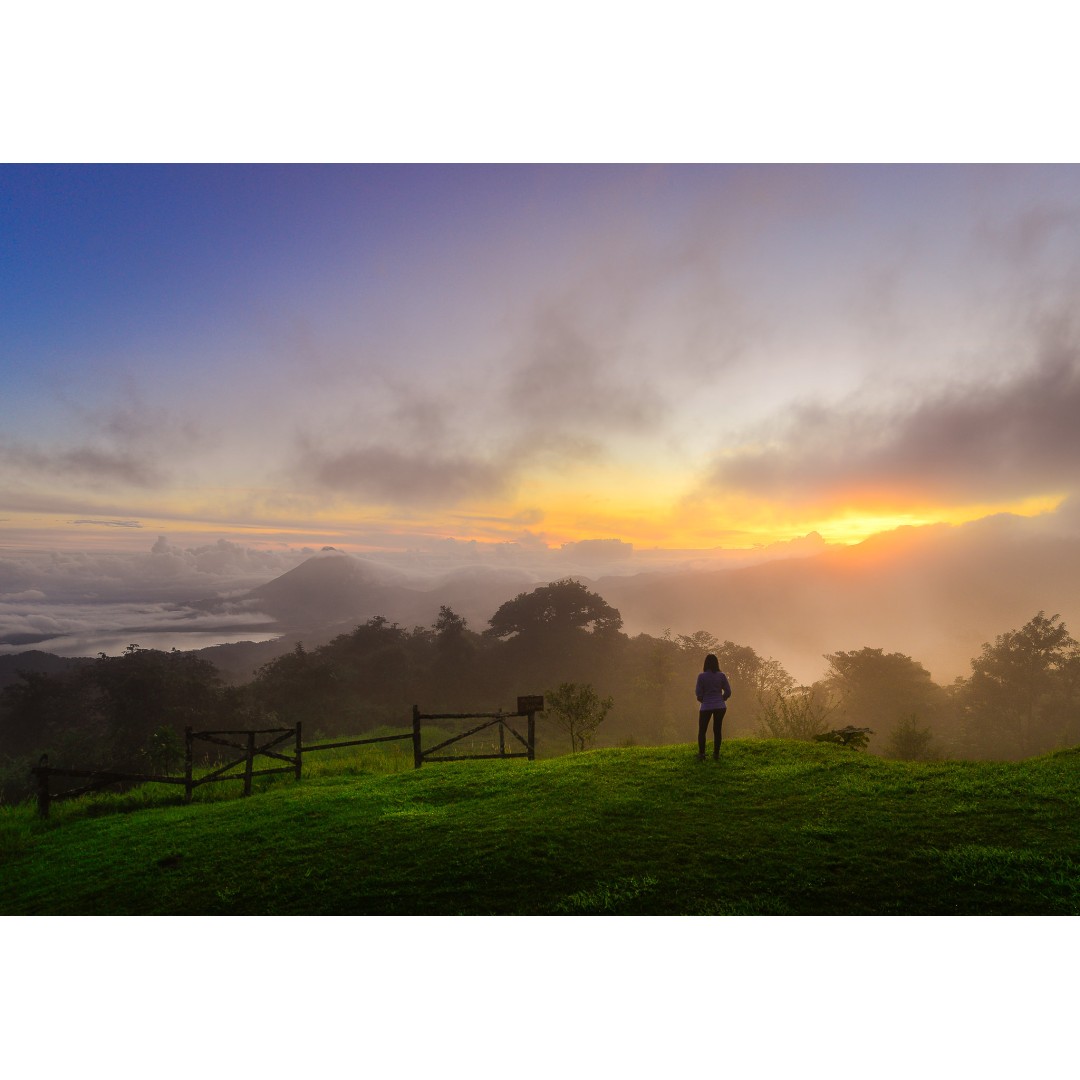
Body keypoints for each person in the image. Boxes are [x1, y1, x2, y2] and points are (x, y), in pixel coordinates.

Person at [695, 653, 732, 760]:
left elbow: (698, 694)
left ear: (705, 663)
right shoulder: (722, 676)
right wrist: (722, 698)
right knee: (717, 730)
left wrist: (704, 700)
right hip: (720, 706)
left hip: (706, 706)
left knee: (702, 730)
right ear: (717, 663)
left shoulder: (701, 676)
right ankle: (716, 754)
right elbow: (728, 691)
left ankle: (701, 754)